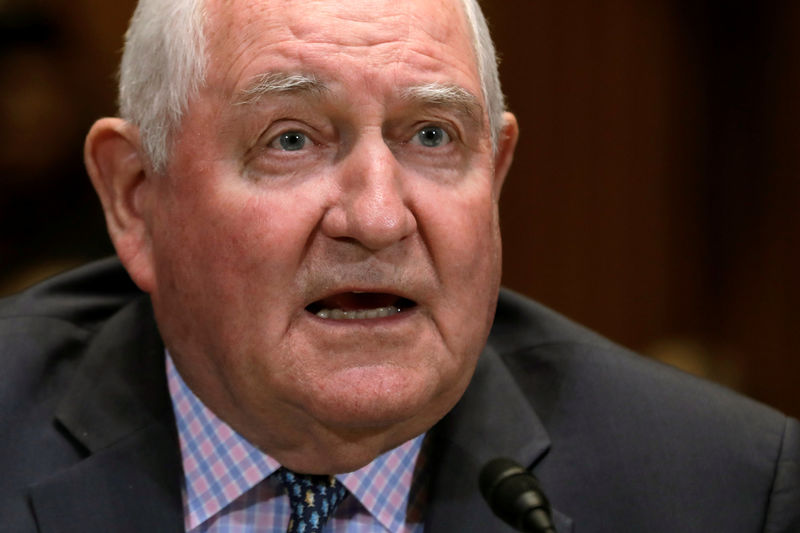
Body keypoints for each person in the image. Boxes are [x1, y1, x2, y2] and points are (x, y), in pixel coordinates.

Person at [0, 0, 797, 531]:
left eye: (431, 137)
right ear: (137, 199)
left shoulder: (726, 491)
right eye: (291, 139)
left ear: (497, 176)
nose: (379, 218)